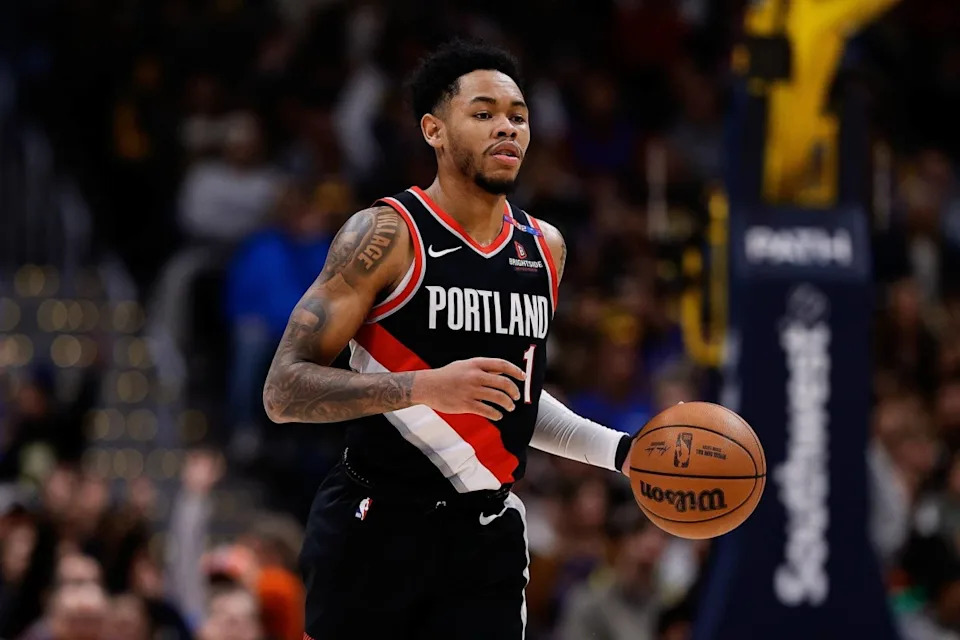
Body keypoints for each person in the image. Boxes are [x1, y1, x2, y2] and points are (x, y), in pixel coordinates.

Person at [263, 39, 641, 639]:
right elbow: (282, 391)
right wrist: (423, 387)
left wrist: (623, 454)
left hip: (484, 540)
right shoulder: (387, 235)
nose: (507, 128)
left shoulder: (545, 248)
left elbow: (511, 401)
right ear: (434, 130)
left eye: (518, 115)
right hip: (375, 528)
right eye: (484, 113)